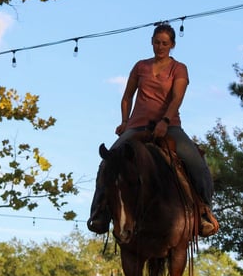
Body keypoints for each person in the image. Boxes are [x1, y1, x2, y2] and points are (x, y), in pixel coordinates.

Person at [87, 23, 218, 237]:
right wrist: (124, 121)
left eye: (165, 43)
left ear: (172, 45)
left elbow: (177, 97)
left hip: (169, 126)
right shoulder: (141, 66)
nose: (160, 47)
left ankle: (204, 211)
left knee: (196, 163)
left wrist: (165, 121)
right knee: (107, 162)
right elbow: (127, 96)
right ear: (152, 42)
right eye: (157, 42)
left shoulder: (179, 68)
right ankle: (99, 213)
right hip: (136, 125)